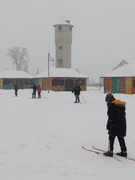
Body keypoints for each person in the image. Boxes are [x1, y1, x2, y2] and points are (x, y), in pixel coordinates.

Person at [103, 93, 127, 157]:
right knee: (120, 137)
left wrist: (109, 126)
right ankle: (124, 151)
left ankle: (110, 151)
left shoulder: (112, 106)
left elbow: (111, 117)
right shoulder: (120, 105)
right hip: (122, 125)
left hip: (114, 125)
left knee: (111, 138)